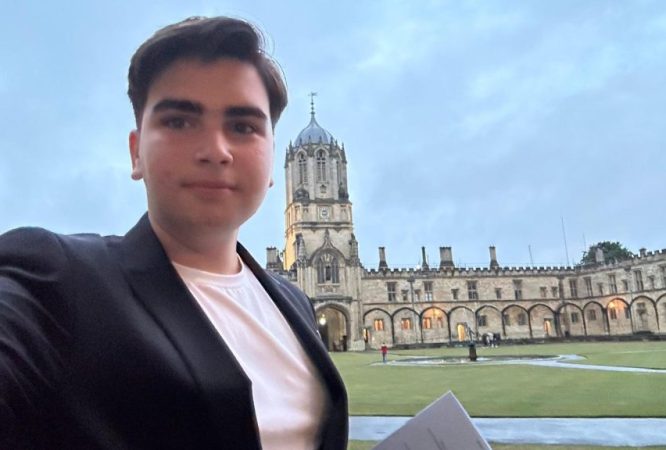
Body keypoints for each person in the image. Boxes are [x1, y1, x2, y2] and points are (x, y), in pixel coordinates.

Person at [0, 16, 348, 450]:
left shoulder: (292, 300)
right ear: (136, 153)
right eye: (180, 121)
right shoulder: (54, 277)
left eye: (243, 127)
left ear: (272, 160)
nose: (216, 151)